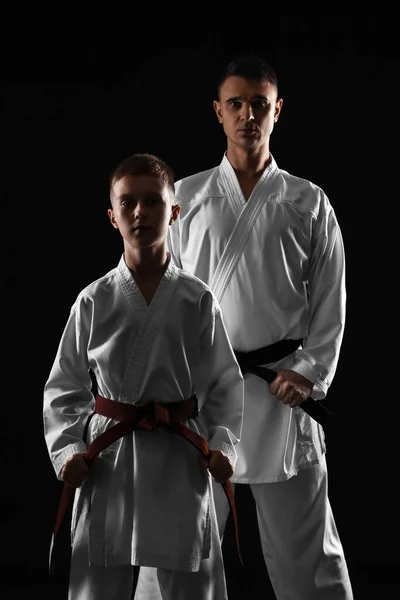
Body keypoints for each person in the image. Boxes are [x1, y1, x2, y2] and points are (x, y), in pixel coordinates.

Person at [165, 54, 354, 599]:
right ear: (219, 113)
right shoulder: (187, 197)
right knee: (180, 542)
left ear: (277, 112)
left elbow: (329, 299)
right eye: (236, 104)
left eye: (259, 105)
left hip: (282, 388)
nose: (248, 114)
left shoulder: (306, 201)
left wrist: (310, 370)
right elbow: (164, 294)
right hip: (202, 392)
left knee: (308, 547)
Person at [42, 152, 244, 600]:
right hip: (109, 456)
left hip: (180, 452)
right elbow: (64, 387)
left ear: (174, 211)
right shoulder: (94, 300)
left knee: (192, 581)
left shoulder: (197, 300)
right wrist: (68, 450)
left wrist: (224, 444)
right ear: (112, 217)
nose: (140, 212)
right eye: (128, 203)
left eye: (152, 202)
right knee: (99, 578)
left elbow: (225, 385)